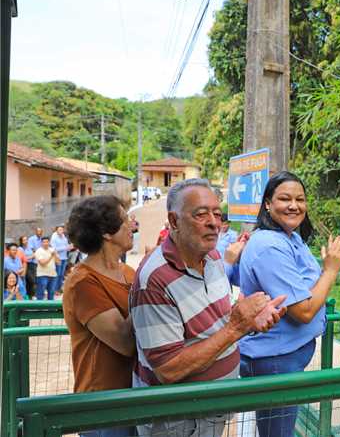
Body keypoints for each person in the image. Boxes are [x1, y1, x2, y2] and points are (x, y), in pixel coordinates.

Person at [130, 178, 284, 437]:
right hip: (178, 419)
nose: (214, 222)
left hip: (211, 407)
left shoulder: (212, 257)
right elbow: (169, 369)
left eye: (217, 213)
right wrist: (237, 327)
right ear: (174, 221)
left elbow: (218, 324)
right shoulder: (155, 279)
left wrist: (250, 323)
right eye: (201, 214)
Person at [238, 171, 340, 437]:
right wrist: (332, 269)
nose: (294, 205)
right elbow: (303, 310)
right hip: (274, 359)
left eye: (300, 199)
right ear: (267, 203)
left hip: (288, 355)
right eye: (285, 199)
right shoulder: (269, 245)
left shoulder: (290, 237)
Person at [62, 196, 137, 437]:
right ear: (106, 232)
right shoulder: (83, 283)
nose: (132, 225)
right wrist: (149, 283)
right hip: (104, 404)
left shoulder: (127, 272)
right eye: (125, 220)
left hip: (135, 394)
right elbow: (125, 342)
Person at [51, 225, 73, 293]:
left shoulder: (64, 237)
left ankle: (59, 288)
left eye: (62, 230)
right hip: (58, 258)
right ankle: (54, 289)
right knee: (57, 274)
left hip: (64, 258)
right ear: (56, 230)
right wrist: (65, 248)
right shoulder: (54, 238)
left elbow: (66, 247)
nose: (61, 231)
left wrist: (70, 247)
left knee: (61, 274)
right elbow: (54, 249)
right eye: (59, 230)